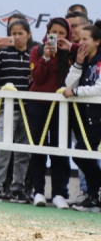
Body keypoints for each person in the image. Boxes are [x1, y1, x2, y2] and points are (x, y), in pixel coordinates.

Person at [0, 18, 34, 202]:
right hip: (7, 107)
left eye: (21, 33)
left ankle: (17, 189)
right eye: (13, 34)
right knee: (2, 148)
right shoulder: (2, 53)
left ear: (29, 34)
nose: (17, 37)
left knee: (23, 152)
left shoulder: (33, 55)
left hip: (29, 110)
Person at [27, 17, 74, 208]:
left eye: (62, 33)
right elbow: (37, 79)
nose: (58, 37)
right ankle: (38, 191)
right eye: (54, 32)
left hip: (62, 106)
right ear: (47, 32)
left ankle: (59, 193)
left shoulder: (72, 53)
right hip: (38, 104)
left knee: (60, 149)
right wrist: (46, 57)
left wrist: (70, 49)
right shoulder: (37, 51)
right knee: (37, 148)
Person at [62, 24, 101, 212]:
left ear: (97, 41)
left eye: (86, 39)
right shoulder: (85, 60)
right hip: (87, 116)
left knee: (83, 153)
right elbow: (68, 84)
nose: (81, 42)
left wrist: (75, 92)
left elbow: (98, 89)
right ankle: (94, 197)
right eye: (80, 39)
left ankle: (94, 195)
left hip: (97, 117)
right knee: (82, 154)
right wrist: (78, 63)